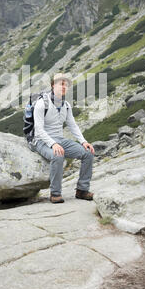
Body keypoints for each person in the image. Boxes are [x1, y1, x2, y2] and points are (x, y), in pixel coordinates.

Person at [29, 73, 95, 203]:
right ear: (53, 85)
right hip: (40, 140)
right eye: (61, 84)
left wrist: (84, 141)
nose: (64, 87)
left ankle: (82, 190)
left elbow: (72, 125)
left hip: (59, 139)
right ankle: (55, 193)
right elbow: (39, 129)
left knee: (88, 153)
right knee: (58, 155)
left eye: (66, 85)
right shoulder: (42, 103)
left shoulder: (66, 105)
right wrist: (53, 144)